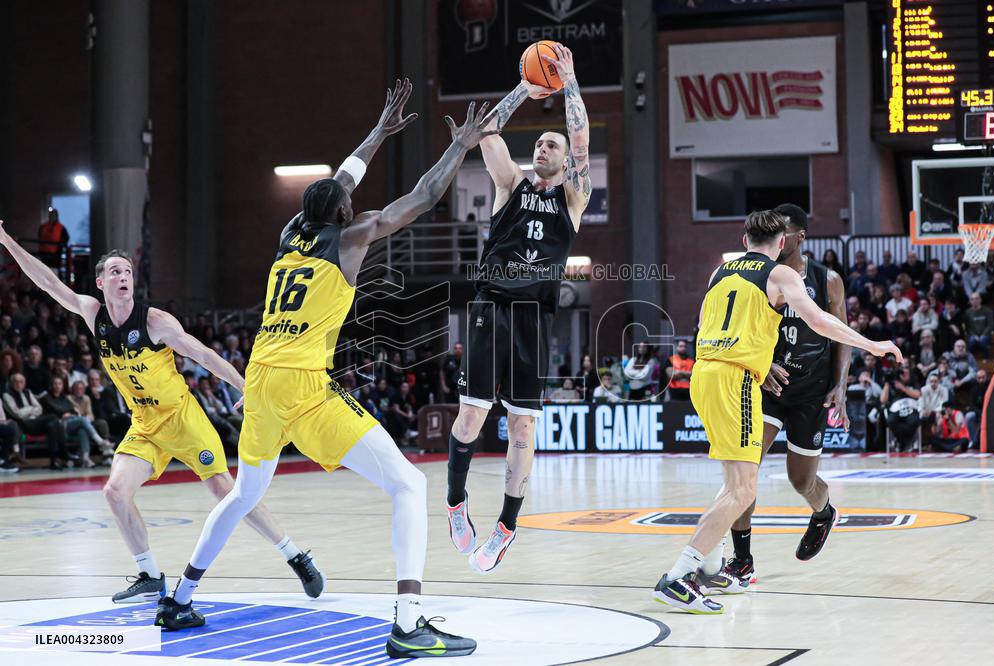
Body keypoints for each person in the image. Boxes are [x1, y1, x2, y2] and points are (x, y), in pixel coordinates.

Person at [162, 81, 486, 657]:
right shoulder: (354, 237)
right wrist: (459, 146)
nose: (352, 201)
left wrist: (377, 133)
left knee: (242, 494)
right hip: (302, 386)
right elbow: (425, 197)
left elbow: (341, 178)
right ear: (341, 214)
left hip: (260, 380)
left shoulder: (290, 236)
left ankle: (180, 597)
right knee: (408, 484)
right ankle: (408, 624)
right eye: (347, 202)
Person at [0, 226, 322, 604]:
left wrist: (244, 386)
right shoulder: (93, 313)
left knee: (225, 491)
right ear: (101, 281)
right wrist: (7, 242)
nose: (124, 277)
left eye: (129, 271)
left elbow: (202, 354)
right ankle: (150, 573)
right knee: (115, 492)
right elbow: (47, 282)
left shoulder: (154, 321)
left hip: (182, 418)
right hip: (144, 423)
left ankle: (294, 555)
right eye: (116, 271)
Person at [652, 210, 901, 614]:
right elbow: (819, 320)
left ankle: (711, 567)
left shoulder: (722, 272)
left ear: (744, 237)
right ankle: (680, 575)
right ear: (781, 243)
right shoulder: (781, 275)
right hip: (738, 381)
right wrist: (873, 344)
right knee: (742, 489)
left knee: (736, 481)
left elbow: (703, 324)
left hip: (704, 374)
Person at [445, 45, 590, 575]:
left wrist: (568, 81)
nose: (547, 146)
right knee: (471, 414)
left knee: (523, 431)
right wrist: (523, 91)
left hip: (535, 317)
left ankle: (506, 525)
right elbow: (486, 132)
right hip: (490, 306)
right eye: (542, 143)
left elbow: (581, 140)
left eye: (553, 143)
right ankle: (456, 504)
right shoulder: (510, 186)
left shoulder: (573, 196)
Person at [717, 204, 852, 589]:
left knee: (801, 481)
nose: (777, 237)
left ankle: (823, 513)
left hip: (811, 392)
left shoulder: (827, 280)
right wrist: (761, 362)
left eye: (785, 231)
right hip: (768, 387)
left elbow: (840, 333)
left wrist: (840, 385)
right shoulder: (758, 276)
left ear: (799, 236)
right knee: (745, 473)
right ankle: (742, 561)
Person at [3, 372, 68, 468]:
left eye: (21, 382)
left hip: (36, 422)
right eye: (16, 382)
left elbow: (39, 408)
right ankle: (63, 452)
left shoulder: (28, 392)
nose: (19, 384)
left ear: (24, 383)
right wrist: (31, 408)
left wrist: (28, 410)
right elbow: (17, 414)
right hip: (22, 424)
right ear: (12, 383)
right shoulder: (7, 395)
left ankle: (53, 461)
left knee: (52, 426)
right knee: (53, 417)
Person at [41, 375, 108, 468]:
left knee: (82, 430)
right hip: (59, 426)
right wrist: (66, 413)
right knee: (82, 420)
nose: (57, 386)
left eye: (59, 384)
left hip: (70, 422)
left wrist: (69, 413)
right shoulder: (47, 398)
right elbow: (56, 409)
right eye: (55, 384)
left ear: (62, 386)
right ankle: (100, 441)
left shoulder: (63, 397)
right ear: (51, 385)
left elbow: (72, 409)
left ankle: (85, 458)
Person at [881, 365, 921, 451]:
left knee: (914, 421)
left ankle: (902, 443)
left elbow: (917, 395)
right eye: (902, 373)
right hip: (896, 409)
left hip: (911, 407)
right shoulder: (892, 384)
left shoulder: (913, 383)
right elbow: (883, 400)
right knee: (890, 421)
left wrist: (902, 388)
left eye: (906, 373)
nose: (904, 375)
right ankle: (905, 443)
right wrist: (887, 383)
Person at [962, 292, 994, 357]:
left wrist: (983, 335)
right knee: (971, 341)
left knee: (983, 341)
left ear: (980, 300)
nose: (974, 301)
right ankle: (968, 360)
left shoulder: (987, 310)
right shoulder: (967, 312)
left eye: (977, 298)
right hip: (972, 336)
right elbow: (967, 327)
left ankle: (986, 361)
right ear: (970, 301)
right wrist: (974, 335)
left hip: (985, 335)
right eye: (972, 299)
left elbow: (990, 325)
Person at [966, 368, 989, 450]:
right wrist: (981, 413)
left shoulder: (991, 386)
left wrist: (985, 413)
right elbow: (972, 405)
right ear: (976, 378)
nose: (981, 380)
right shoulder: (974, 388)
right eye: (979, 378)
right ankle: (973, 441)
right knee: (969, 416)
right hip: (978, 412)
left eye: (983, 377)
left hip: (989, 412)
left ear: (987, 377)